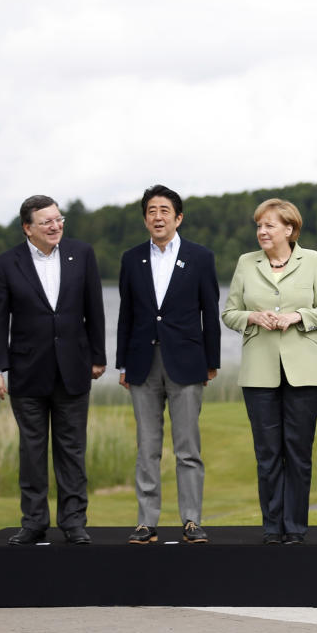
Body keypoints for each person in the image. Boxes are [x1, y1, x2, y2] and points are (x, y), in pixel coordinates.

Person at [0, 195, 106, 545]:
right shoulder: (7, 263)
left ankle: (73, 522)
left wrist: (98, 356)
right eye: (46, 222)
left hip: (74, 368)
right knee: (32, 451)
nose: (55, 226)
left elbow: (93, 309)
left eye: (59, 219)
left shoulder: (82, 254)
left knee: (72, 449)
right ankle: (34, 522)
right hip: (27, 371)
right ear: (28, 228)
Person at [222, 198, 317, 545]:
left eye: (269, 225)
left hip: (304, 372)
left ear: (289, 229)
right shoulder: (246, 263)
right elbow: (229, 313)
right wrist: (252, 317)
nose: (262, 231)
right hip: (259, 373)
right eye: (259, 225)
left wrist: (297, 316)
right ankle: (272, 527)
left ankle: (296, 528)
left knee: (299, 453)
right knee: (268, 453)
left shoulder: (313, 260)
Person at [116, 184, 220, 545]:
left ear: (178, 218)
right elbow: (126, 314)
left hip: (188, 362)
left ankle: (192, 520)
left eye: (164, 211)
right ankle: (147, 521)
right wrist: (122, 365)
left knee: (188, 448)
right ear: (145, 218)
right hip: (142, 364)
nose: (157, 217)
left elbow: (210, 311)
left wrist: (212, 361)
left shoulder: (200, 256)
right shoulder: (131, 259)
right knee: (147, 447)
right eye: (151, 211)